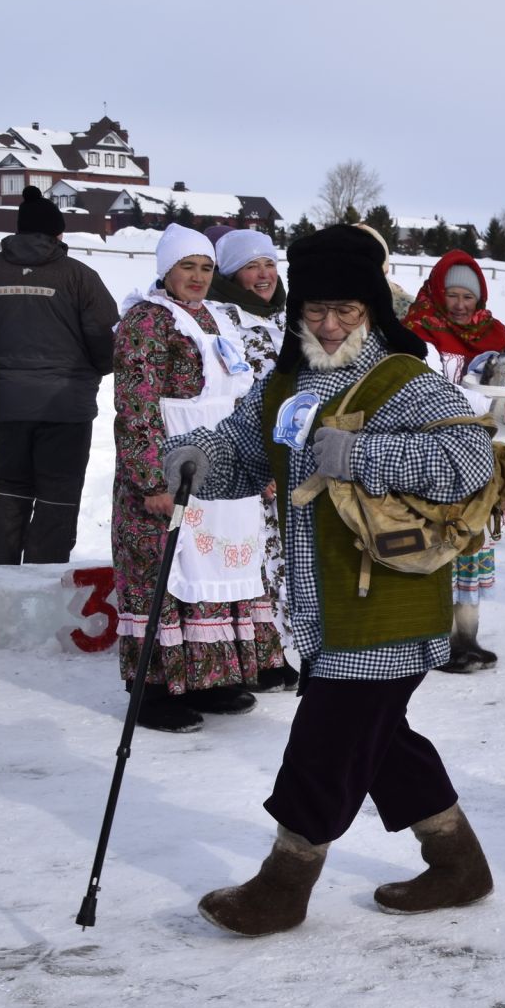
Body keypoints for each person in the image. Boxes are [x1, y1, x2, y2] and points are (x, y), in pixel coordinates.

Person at [160, 224, 498, 936]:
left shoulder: (404, 382)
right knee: (380, 741)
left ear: (373, 308)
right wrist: (196, 457)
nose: (330, 323)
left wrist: (365, 454)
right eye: (315, 310)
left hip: (390, 599)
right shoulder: (287, 383)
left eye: (346, 309)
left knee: (327, 742)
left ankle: (285, 883)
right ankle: (458, 862)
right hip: (320, 603)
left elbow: (471, 465)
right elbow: (246, 454)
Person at [110, 224, 288, 733]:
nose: (197, 277)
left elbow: (242, 401)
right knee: (162, 579)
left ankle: (208, 678)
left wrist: (259, 466)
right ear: (165, 269)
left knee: (214, 575)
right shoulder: (147, 322)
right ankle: (151, 692)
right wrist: (151, 481)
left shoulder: (214, 319)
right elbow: (136, 408)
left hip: (221, 471)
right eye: (187, 266)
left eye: (206, 267)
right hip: (169, 467)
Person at [404, 249, 505, 670]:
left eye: (468, 297)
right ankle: (436, 641)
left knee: (472, 543)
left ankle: (466, 637)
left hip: (483, 457)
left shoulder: (494, 334)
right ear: (437, 292)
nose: (459, 304)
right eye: (451, 295)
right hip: (436, 456)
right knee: (439, 544)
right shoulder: (416, 331)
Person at [0, 187, 117, 564]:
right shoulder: (79, 275)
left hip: (11, 402)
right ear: (58, 234)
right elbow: (105, 336)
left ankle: (1, 573)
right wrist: (91, 370)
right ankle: (42, 578)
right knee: (58, 492)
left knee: (11, 487)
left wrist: (7, 362)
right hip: (68, 405)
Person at [209, 227, 300, 691]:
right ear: (230, 273)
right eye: (251, 266)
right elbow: (229, 395)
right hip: (253, 462)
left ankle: (287, 650)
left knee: (288, 558)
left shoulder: (289, 316)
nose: (264, 275)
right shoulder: (221, 320)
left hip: (296, 457)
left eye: (269, 264)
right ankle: (260, 656)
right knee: (252, 560)